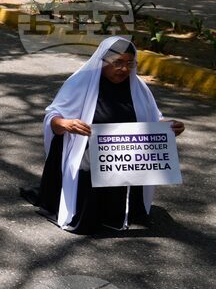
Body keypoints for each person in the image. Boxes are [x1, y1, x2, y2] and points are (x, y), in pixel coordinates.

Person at [23, 37, 186, 234]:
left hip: (127, 152)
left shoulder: (138, 87)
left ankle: (120, 210)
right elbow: (53, 116)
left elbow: (154, 119)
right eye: (117, 63)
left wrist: (167, 127)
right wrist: (65, 124)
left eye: (129, 63)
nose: (124, 70)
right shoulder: (80, 82)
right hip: (88, 147)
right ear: (103, 61)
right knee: (87, 166)